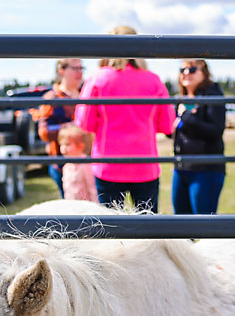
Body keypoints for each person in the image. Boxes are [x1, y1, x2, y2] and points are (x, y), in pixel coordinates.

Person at [73, 25, 175, 211]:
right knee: (147, 229)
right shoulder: (154, 80)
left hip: (108, 166)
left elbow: (85, 123)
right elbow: (167, 125)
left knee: (111, 230)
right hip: (145, 165)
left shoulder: (97, 80)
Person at [173, 59, 227, 214]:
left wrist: (186, 116)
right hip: (181, 167)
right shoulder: (181, 98)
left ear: (204, 72)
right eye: (182, 69)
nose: (185, 73)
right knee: (180, 224)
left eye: (192, 70)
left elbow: (215, 131)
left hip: (205, 168)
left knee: (204, 224)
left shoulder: (212, 95)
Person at [34, 58, 84, 196]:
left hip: (87, 162)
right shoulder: (52, 97)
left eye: (81, 68)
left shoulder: (86, 94)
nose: (79, 73)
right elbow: (44, 132)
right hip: (63, 164)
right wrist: (71, 128)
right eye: (74, 68)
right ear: (61, 71)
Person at [58, 126, 97, 201]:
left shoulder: (86, 165)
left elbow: (92, 189)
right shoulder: (67, 166)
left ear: (81, 146)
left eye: (67, 144)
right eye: (61, 145)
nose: (63, 148)